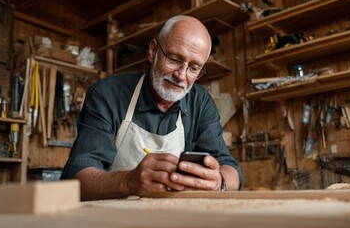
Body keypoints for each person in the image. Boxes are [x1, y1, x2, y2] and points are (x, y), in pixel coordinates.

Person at [61, 15, 243, 200]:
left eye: (194, 68)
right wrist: (129, 181)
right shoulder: (106, 95)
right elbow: (76, 179)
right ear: (153, 51)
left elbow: (229, 167)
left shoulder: (200, 102)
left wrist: (219, 182)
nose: (181, 75)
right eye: (173, 59)